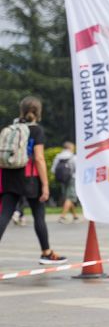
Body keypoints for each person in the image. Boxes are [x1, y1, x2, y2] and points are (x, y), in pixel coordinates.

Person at [0, 96, 67, 263]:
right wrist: (45, 184)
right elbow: (39, 158)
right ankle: (46, 252)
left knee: (5, 214)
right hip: (30, 179)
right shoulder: (36, 131)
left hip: (10, 175)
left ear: (21, 110)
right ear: (38, 112)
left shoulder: (11, 129)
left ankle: (47, 251)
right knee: (39, 215)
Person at [52, 141, 79, 224]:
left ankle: (75, 216)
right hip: (72, 178)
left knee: (68, 197)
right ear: (70, 148)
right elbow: (77, 169)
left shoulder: (58, 157)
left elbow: (53, 169)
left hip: (62, 179)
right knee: (70, 198)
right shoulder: (73, 157)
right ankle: (62, 216)